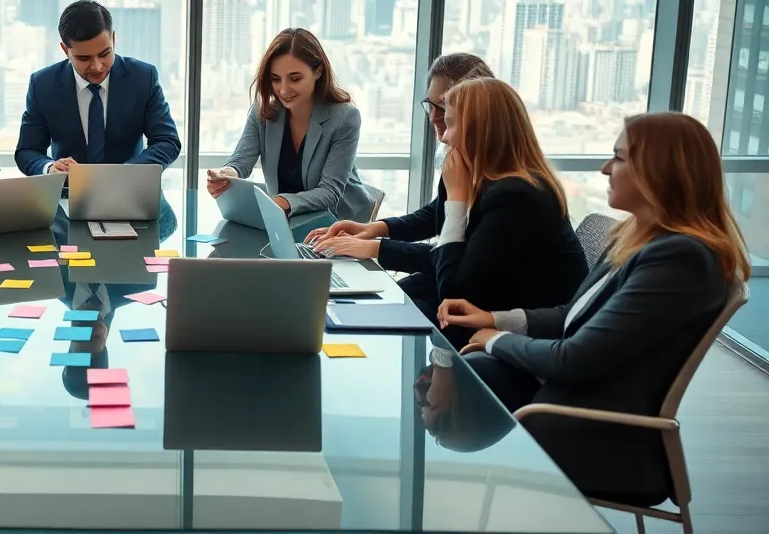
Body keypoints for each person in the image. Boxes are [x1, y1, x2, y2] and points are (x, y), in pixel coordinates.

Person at [438, 112, 749, 505]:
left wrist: (495, 340)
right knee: (456, 379)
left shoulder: (680, 257)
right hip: (568, 401)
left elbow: (574, 357)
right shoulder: (637, 236)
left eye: (618, 158)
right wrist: (494, 319)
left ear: (659, 171)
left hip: (596, 435)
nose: (605, 169)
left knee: (457, 389)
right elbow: (574, 316)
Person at [380, 78, 586, 346]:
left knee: (398, 321)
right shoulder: (491, 183)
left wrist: (455, 199)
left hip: (527, 339)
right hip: (491, 311)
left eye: (451, 123)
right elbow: (452, 262)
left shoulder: (518, 195)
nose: (446, 135)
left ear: (480, 131)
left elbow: (454, 292)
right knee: (397, 303)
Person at [306, 52, 494, 270]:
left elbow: (460, 261)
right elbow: (436, 213)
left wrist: (374, 248)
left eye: (443, 108)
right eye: (430, 105)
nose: (433, 117)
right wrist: (373, 229)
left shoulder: (502, 187)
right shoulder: (459, 155)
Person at [205, 28, 372, 220]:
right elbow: (241, 162)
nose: (283, 90)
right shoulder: (263, 111)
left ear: (317, 71)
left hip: (339, 224)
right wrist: (226, 174)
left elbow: (329, 193)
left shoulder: (345, 118)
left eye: (295, 78)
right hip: (289, 221)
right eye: (276, 79)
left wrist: (279, 203)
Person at [15, 0, 181, 176]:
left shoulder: (142, 77)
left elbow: (167, 141)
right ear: (65, 50)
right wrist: (49, 168)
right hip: (68, 193)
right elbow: (27, 151)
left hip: (130, 189)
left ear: (113, 39)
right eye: (84, 58)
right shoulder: (43, 85)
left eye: (104, 54)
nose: (97, 66)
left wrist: (123, 174)